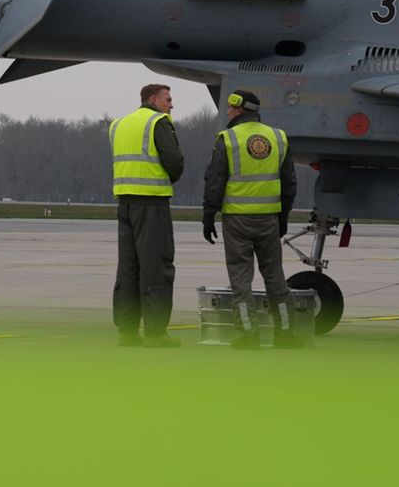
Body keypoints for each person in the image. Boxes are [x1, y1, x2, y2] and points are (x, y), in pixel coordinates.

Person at [201, 90, 301, 349]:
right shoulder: (278, 137)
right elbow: (289, 183)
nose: (226, 112)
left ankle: (247, 334)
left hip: (237, 221)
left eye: (230, 108)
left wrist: (208, 215)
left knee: (241, 279)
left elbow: (215, 180)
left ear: (238, 109)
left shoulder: (227, 139)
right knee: (275, 277)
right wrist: (284, 216)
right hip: (268, 220)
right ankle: (286, 333)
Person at [109, 84, 184, 348]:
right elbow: (174, 161)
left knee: (128, 268)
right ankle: (155, 331)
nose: (171, 105)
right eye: (168, 99)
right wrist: (172, 177)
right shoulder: (158, 122)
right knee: (156, 267)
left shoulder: (119, 124)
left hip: (124, 201)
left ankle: (127, 332)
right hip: (151, 202)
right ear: (154, 100)